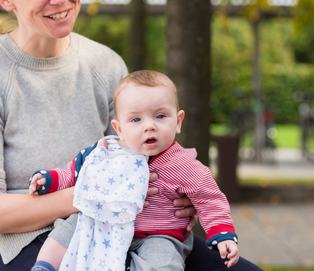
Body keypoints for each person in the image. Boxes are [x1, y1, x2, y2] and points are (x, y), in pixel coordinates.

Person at [0, 0, 263, 271]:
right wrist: (92, 196)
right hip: (30, 242)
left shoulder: (105, 65)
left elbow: (145, 158)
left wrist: (178, 197)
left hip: (129, 231)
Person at [28, 70, 239, 271]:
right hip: (106, 220)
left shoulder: (183, 165)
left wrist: (222, 233)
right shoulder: (108, 150)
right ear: (119, 129)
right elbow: (77, 173)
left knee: (164, 261)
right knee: (70, 227)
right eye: (136, 119)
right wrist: (50, 180)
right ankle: (45, 265)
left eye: (160, 116)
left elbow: (209, 198)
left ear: (178, 121)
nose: (149, 126)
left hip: (158, 235)